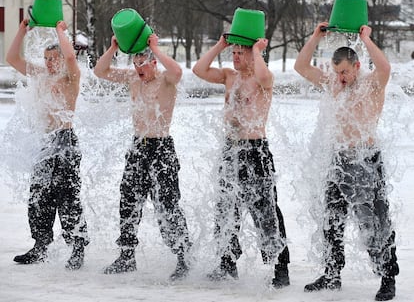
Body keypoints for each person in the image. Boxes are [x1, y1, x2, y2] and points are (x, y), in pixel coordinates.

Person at [294, 22, 399, 301]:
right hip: (339, 160)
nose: (340, 77)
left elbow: (386, 68)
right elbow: (301, 67)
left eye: (344, 72)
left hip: (366, 161)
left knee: (373, 221)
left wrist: (366, 39)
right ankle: (332, 273)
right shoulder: (332, 83)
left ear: (356, 66)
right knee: (332, 218)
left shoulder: (371, 85)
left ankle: (387, 276)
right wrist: (316, 37)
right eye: (336, 71)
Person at [192, 36, 290, 288]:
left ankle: (280, 266)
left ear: (251, 55)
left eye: (239, 53)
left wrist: (257, 51)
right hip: (230, 149)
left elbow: (266, 77)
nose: (235, 57)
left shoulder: (260, 79)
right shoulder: (228, 76)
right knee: (226, 207)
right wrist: (220, 46)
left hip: (255, 149)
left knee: (266, 210)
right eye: (233, 53)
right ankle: (227, 262)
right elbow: (198, 70)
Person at [94, 34, 192, 280]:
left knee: (167, 203)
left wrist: (155, 49)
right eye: (135, 63)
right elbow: (100, 71)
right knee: (128, 201)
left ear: (153, 63)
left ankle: (183, 256)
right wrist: (113, 46)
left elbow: (177, 70)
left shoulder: (166, 80)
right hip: (138, 146)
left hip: (161, 147)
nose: (138, 68)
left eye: (143, 63)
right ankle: (126, 255)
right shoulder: (131, 79)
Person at [6, 19, 89, 270]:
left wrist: (60, 32)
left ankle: (77, 248)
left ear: (62, 58)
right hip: (44, 142)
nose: (49, 62)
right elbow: (12, 58)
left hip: (64, 141)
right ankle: (40, 245)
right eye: (46, 58)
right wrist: (21, 30)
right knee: (38, 196)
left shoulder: (70, 77)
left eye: (54, 58)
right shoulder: (40, 75)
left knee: (67, 197)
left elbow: (72, 60)